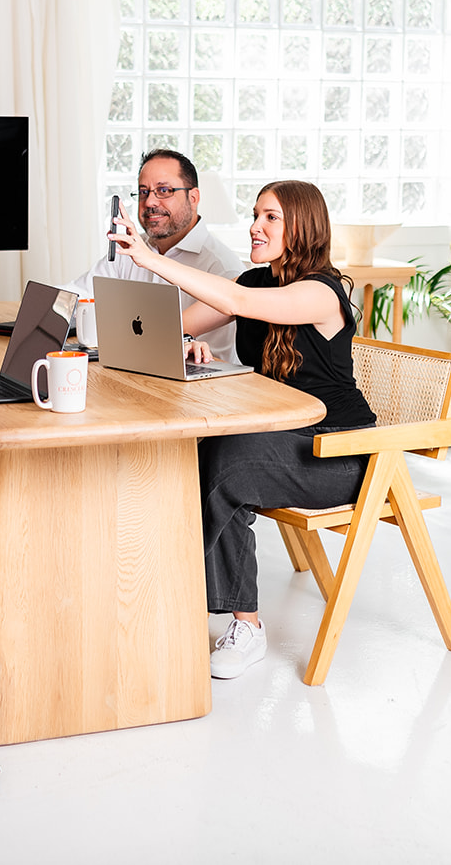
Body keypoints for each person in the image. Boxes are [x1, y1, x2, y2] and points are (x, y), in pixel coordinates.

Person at [108, 179, 375, 679]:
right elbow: (179, 326)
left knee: (228, 463)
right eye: (256, 214)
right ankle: (167, 593)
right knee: (203, 451)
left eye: (271, 217)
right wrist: (183, 346)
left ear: (304, 226)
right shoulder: (255, 284)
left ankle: (221, 616)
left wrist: (151, 259)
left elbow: (238, 302)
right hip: (282, 442)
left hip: (340, 455)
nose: (255, 225)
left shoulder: (321, 293)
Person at [67, 148, 243, 362]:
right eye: (143, 191)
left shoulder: (223, 268)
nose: (150, 202)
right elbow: (75, 297)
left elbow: (216, 362)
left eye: (164, 191)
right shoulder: (131, 248)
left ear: (193, 197)